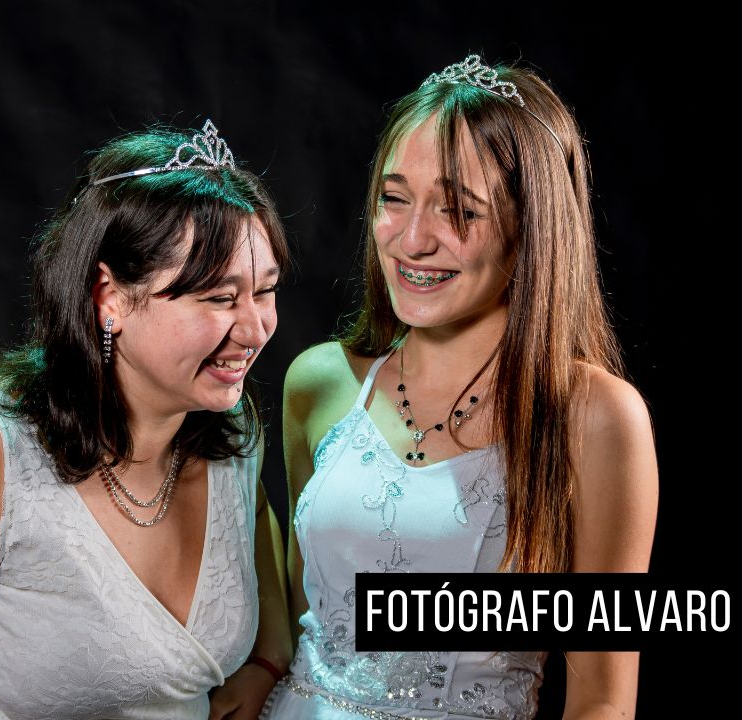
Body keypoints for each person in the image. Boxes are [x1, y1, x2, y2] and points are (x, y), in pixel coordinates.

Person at [0, 119, 294, 719]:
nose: (255, 330)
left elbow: (249, 526)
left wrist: (266, 660)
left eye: (266, 292)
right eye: (219, 298)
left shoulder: (229, 428)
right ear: (109, 297)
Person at [262, 56, 658, 719]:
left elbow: (603, 702)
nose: (412, 240)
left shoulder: (596, 419)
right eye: (393, 198)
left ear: (533, 226)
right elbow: (306, 623)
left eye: (459, 210)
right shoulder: (319, 383)